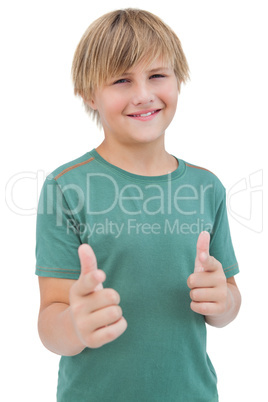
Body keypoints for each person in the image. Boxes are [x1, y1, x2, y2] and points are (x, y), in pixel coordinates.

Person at [36, 8, 241, 402]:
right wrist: (75, 325)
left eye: (157, 75)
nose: (143, 94)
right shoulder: (65, 188)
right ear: (89, 94)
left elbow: (227, 303)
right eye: (121, 80)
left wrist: (224, 300)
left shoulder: (206, 186)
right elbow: (50, 322)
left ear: (179, 79)